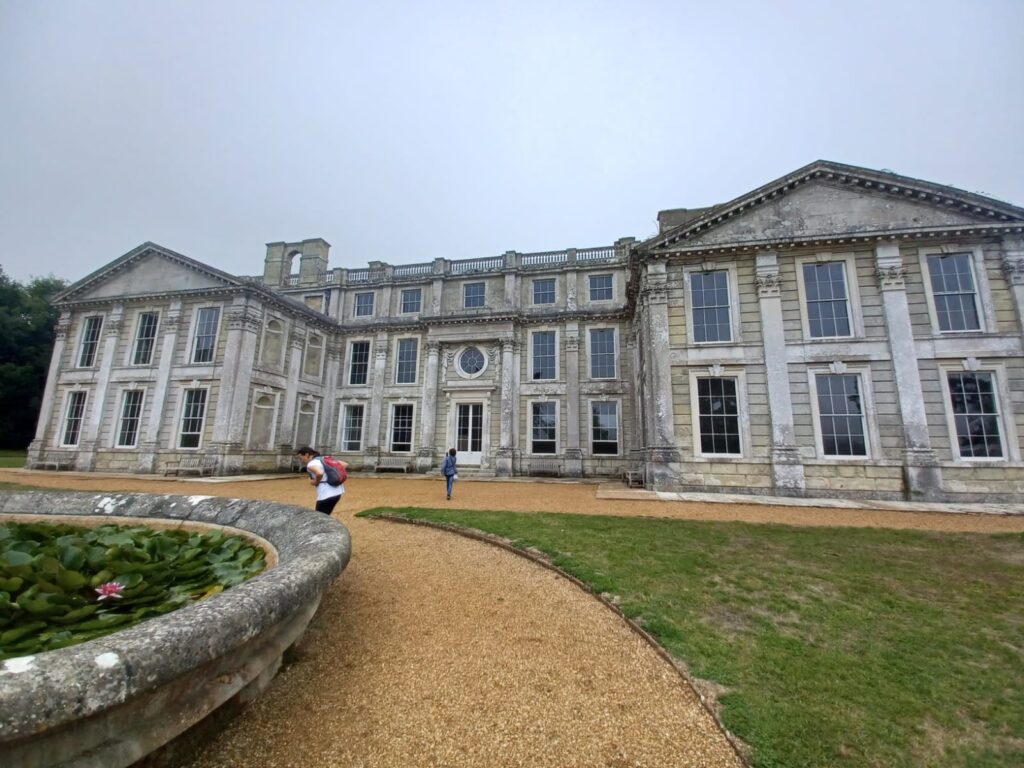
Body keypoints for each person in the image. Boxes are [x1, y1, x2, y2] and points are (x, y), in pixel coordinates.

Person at [295, 446, 348, 515]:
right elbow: (344, 464)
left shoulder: (311, 464)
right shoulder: (323, 459)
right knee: (326, 515)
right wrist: (333, 475)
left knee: (319, 517)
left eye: (301, 458)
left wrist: (315, 482)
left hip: (326, 494)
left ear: (307, 454)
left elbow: (319, 473)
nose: (301, 460)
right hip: (338, 492)